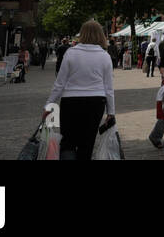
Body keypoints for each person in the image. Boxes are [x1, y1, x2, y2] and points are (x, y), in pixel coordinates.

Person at [44, 20, 115, 161]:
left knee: (68, 142)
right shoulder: (105, 56)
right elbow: (109, 88)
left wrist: (49, 105)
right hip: (96, 102)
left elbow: (60, 83)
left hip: (71, 101)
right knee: (87, 144)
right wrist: (111, 111)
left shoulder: (71, 53)